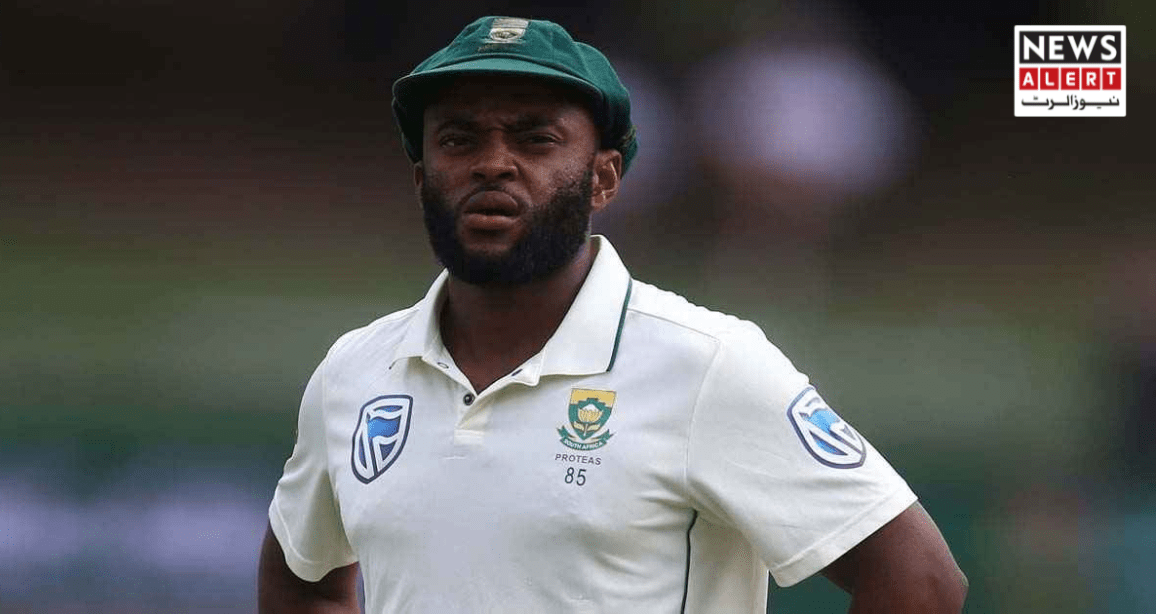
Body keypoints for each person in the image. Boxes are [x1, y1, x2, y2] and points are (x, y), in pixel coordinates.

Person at [258, 15, 967, 614]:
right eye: (458, 140)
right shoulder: (354, 370)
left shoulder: (706, 363)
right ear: (422, 177)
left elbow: (920, 580)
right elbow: (303, 580)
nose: (492, 163)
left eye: (535, 139)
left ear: (603, 177)